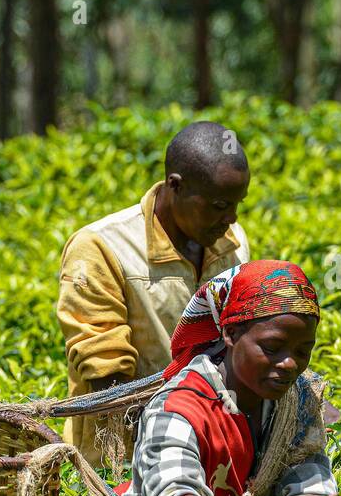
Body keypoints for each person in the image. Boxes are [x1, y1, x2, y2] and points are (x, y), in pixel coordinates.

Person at [96, 259, 341, 496]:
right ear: (230, 334)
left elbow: (311, 493)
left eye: (303, 351)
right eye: (272, 347)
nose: (290, 364)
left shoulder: (297, 397)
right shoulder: (178, 407)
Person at [56, 120, 252, 465]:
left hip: (212, 451)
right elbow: (109, 378)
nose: (231, 218)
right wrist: (180, 429)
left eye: (238, 204)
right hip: (119, 460)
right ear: (175, 186)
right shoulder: (102, 247)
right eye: (220, 205)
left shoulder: (232, 244)